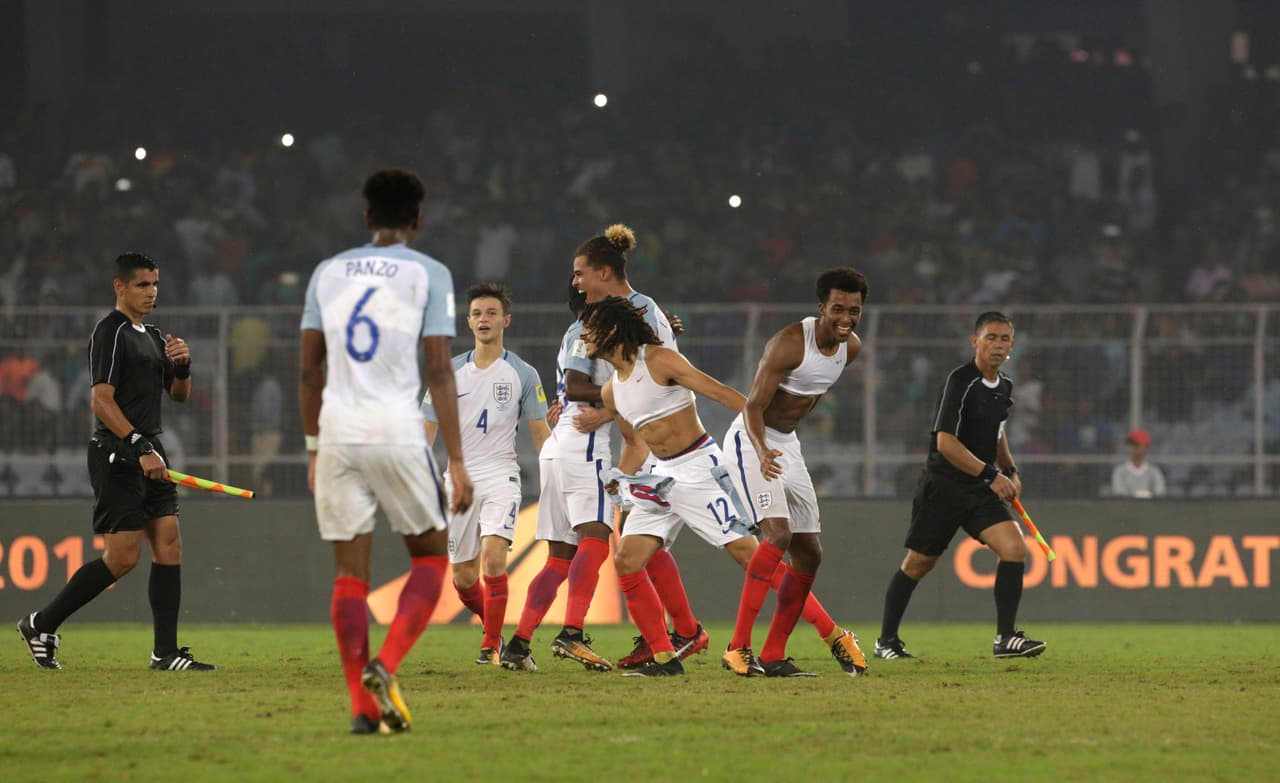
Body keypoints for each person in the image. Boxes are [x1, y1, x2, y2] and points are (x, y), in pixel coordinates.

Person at [299, 168, 473, 735]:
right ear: (417, 220)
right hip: (396, 429)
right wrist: (457, 459)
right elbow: (440, 369)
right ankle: (387, 665)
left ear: (367, 216)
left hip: (338, 431)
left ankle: (360, 708)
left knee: (349, 574)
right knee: (429, 557)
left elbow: (308, 369)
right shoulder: (430, 274)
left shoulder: (327, 273)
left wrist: (313, 448)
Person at [17, 252, 213, 672]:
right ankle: (41, 623)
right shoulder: (110, 332)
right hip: (118, 451)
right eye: (142, 284)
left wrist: (183, 366)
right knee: (123, 557)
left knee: (170, 545)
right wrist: (139, 446)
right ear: (119, 287)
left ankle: (165, 653)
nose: (151, 292)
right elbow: (100, 401)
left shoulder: (155, 335)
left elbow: (177, 396)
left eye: (155, 283)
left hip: (150, 449)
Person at [567, 225, 712, 670]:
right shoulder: (647, 311)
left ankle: (675, 636)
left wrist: (608, 411)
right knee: (641, 550)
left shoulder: (641, 313)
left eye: (580, 274)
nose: (575, 283)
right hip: (649, 440)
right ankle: (679, 633)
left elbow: (653, 382)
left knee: (634, 550)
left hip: (656, 447)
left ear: (605, 273)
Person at [723, 267, 871, 677]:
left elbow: (804, 399)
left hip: (787, 445)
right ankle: (738, 647)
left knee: (809, 552)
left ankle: (773, 655)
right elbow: (753, 406)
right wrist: (763, 448)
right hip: (752, 440)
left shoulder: (852, 348)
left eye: (854, 311)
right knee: (778, 534)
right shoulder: (790, 342)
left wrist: (781, 444)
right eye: (838, 309)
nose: (846, 318)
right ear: (821, 308)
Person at [874, 312, 1045, 661]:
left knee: (1014, 548)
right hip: (944, 486)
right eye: (991, 338)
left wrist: (1010, 470)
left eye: (1004, 339)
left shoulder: (1006, 386)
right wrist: (991, 475)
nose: (997, 345)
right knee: (918, 564)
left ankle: (1005, 638)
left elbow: (997, 433)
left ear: (1012, 345)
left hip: (980, 488)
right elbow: (945, 443)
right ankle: (886, 641)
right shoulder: (960, 381)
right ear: (975, 342)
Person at [422, 282, 551, 666]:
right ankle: (493, 630)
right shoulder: (447, 373)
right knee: (463, 579)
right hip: (458, 480)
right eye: (477, 313)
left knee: (494, 559)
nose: (484, 319)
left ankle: (490, 646)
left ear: (505, 321)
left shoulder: (523, 374)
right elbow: (425, 434)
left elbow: (541, 434)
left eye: (491, 313)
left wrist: (561, 479)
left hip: (501, 476)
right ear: (468, 321)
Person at [499, 282, 619, 672]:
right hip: (582, 442)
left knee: (558, 559)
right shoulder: (586, 333)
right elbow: (575, 385)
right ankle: (572, 633)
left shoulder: (583, 332)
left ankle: (518, 644)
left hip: (560, 445)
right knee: (597, 539)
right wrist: (627, 393)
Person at [1110, 429, 1166, 498]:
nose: (1132, 448)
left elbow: (1160, 492)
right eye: (1130, 444)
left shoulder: (1154, 471)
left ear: (1146, 447)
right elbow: (1119, 493)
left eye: (1136, 445)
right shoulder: (1119, 471)